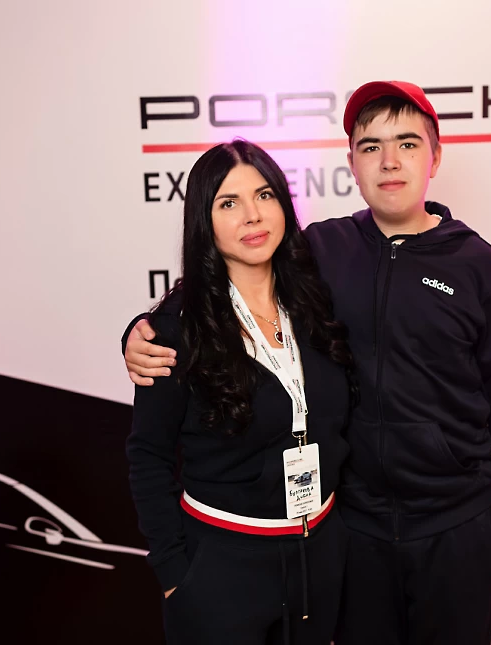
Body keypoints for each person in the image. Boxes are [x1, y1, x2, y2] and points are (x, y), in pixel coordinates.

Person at [124, 81, 491, 645]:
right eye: (371, 146)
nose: (390, 161)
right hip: (354, 528)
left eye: (407, 143)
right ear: (351, 162)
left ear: (435, 156)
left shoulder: (476, 265)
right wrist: (140, 332)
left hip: (453, 523)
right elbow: (224, 280)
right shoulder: (321, 250)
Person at [125, 139, 356, 645]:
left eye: (264, 195)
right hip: (222, 573)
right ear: (203, 221)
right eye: (229, 203)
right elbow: (148, 455)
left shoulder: (317, 301)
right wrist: (174, 576)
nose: (252, 215)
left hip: (319, 558)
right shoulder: (175, 331)